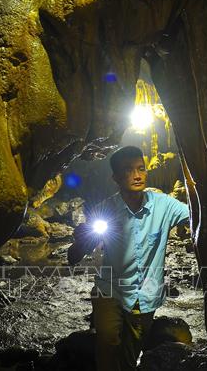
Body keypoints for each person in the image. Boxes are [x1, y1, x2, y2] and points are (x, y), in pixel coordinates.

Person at [67, 146, 190, 371]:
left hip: (145, 296)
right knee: (108, 340)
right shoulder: (105, 210)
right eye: (128, 171)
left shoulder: (164, 206)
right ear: (115, 177)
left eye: (141, 169)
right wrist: (82, 241)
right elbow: (73, 257)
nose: (136, 175)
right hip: (110, 290)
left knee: (130, 356)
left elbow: (198, 213)